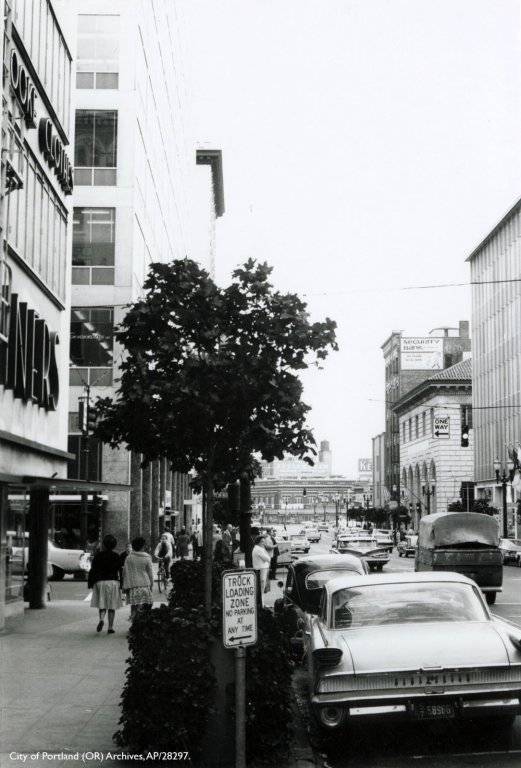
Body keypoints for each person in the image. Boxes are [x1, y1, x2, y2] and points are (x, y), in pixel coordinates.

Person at [88, 534, 122, 634]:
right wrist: (122, 584)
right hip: (112, 582)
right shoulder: (116, 556)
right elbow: (120, 570)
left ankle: (101, 619)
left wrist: (91, 582)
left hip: (100, 582)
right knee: (112, 606)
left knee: (102, 604)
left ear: (104, 544)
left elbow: (93, 569)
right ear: (114, 545)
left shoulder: (98, 555)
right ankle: (110, 628)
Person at [122, 536, 154, 620]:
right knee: (144, 607)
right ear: (143, 546)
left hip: (133, 586)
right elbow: (150, 573)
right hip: (145, 585)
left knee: (134, 607)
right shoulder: (147, 557)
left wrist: (125, 586)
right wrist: (151, 584)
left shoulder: (129, 557)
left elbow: (125, 572)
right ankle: (141, 625)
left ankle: (133, 623)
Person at [252, 535, 272, 602]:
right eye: (262, 542)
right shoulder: (259, 549)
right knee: (261, 588)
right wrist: (267, 557)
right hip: (261, 569)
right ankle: (261, 604)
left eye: (264, 541)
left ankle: (262, 604)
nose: (264, 543)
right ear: (259, 542)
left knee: (262, 589)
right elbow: (268, 558)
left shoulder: (258, 549)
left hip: (261, 569)